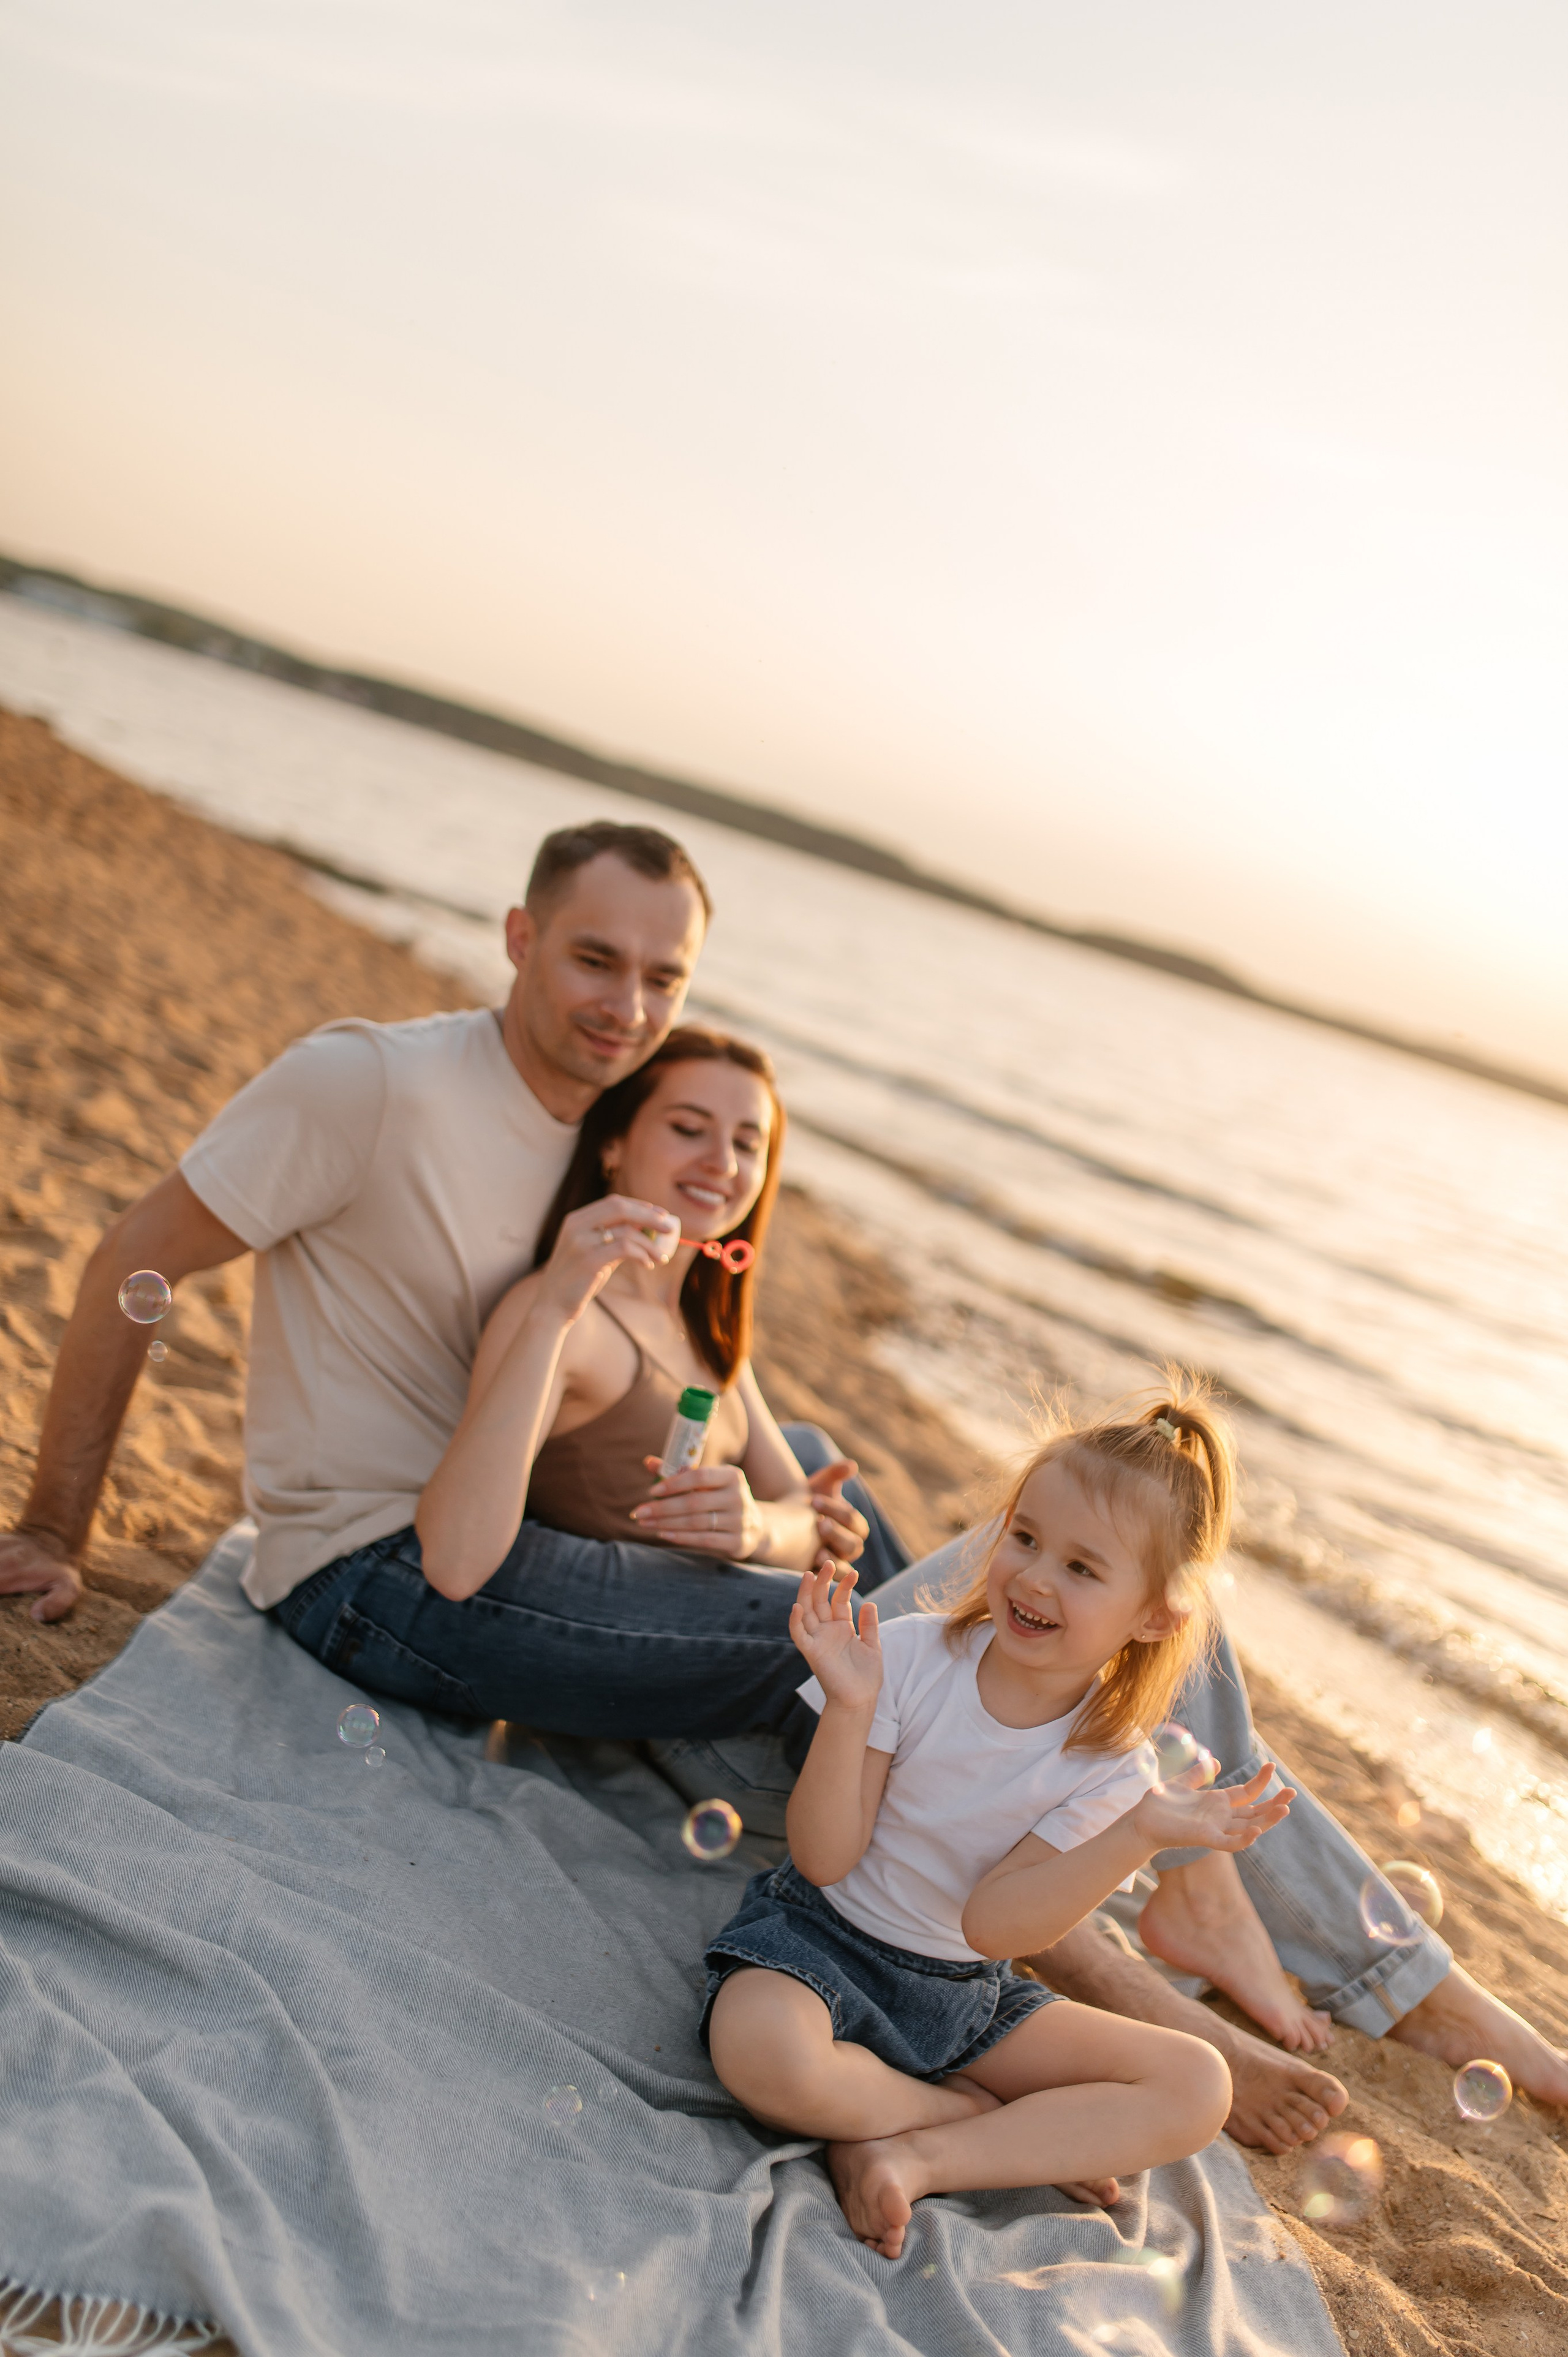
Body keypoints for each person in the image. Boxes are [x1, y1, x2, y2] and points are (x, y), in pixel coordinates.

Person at [2, 813, 1562, 2144]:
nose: (625, 1000)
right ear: (517, 936)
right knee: (967, 1635)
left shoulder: (587, 1139)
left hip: (519, 1541)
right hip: (385, 1573)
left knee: (928, 1546)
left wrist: (771, 1502)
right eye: (593, 957)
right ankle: (1151, 1939)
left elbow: (689, 1388)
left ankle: (1325, 1946)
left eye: (661, 974)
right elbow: (137, 1258)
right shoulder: (374, 1085)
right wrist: (56, 1528)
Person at [704, 1389, 1289, 2255]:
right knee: (761, 2056)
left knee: (1199, 2084)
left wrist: (1143, 1831)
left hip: (964, 1998)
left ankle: (918, 2159)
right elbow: (824, 1858)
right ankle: (962, 2117)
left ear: (1156, 1615)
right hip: (818, 1942)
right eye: (1025, 1538)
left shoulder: (1115, 1768)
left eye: (1084, 1569)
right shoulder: (903, 1655)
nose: (1036, 1577)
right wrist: (851, 1707)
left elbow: (995, 1925)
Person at [414, 1024, 864, 1591]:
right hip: (620, 1617)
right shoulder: (564, 1314)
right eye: (689, 1129)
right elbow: (454, 1565)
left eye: (748, 1144)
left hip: (716, 1601)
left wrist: (757, 1529)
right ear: (613, 1142)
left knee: (833, 1471)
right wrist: (551, 1313)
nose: (723, 1163)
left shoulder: (703, 1324)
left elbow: (805, 1516)